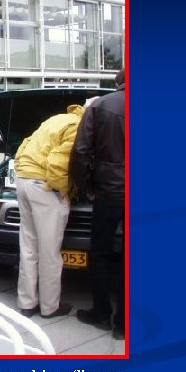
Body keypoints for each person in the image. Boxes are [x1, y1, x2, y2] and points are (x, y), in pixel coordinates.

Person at [14, 102, 88, 319]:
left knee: (28, 246)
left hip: (23, 179)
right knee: (49, 252)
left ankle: (26, 303)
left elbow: (25, 144)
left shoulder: (56, 119)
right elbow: (57, 162)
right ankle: (49, 307)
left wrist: (23, 170)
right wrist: (60, 190)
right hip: (43, 186)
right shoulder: (77, 127)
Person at [70, 69, 126, 340]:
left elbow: (81, 152)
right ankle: (124, 325)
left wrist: (87, 187)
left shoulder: (101, 105)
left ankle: (102, 313)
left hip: (109, 194)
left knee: (101, 253)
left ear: (117, 83)